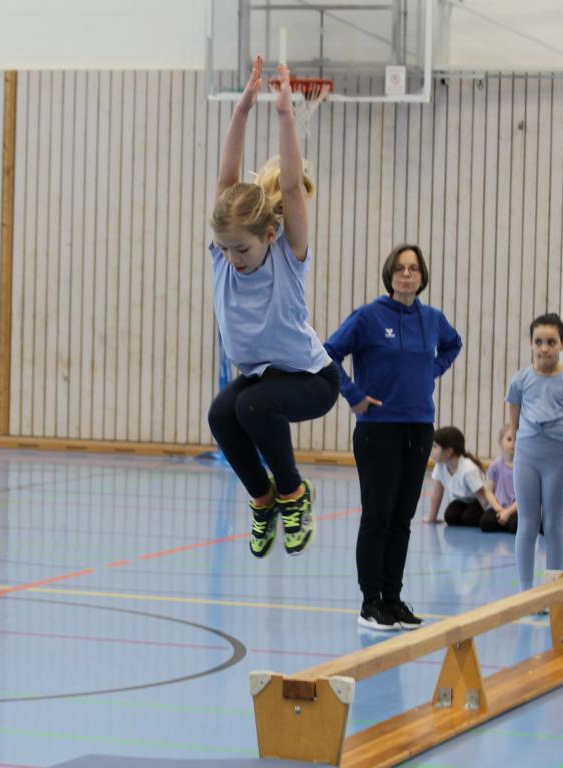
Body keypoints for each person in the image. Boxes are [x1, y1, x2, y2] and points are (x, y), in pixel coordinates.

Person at [207, 56, 339, 559]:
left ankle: (293, 492)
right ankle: (263, 501)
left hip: (311, 379)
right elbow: (227, 179)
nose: (232, 258)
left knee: (250, 405)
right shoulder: (224, 256)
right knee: (222, 414)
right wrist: (240, 110)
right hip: (263, 378)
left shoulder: (287, 256)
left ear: (268, 235)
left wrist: (285, 115)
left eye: (241, 249)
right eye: (225, 249)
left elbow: (289, 188)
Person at [324, 243, 462, 631]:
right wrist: (353, 395)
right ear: (390, 274)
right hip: (378, 429)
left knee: (402, 518)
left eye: (413, 268)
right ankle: (370, 602)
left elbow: (454, 344)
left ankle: (393, 598)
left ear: (422, 276)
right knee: (378, 516)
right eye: (400, 268)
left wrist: (430, 371)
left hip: (419, 427)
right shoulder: (368, 316)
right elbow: (327, 354)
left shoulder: (432, 319)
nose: (406, 274)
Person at [507, 313, 563, 593]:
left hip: (557, 459)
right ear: (531, 343)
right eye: (538, 342)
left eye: (551, 342)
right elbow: (514, 421)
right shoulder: (520, 380)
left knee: (554, 524)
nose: (544, 348)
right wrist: (519, 446)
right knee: (527, 523)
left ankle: (553, 589)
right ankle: (526, 589)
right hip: (527, 457)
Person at [426, 427, 490, 528]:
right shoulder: (440, 465)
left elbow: (483, 496)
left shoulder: (468, 469)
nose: (431, 450)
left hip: (477, 501)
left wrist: (489, 517)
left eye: (435, 447)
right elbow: (437, 493)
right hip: (462, 501)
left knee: (470, 518)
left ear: (448, 451)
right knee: (450, 517)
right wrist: (432, 518)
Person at [481, 424, 518, 534]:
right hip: (499, 506)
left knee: (515, 526)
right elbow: (488, 491)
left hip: (516, 508)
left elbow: (524, 497)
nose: (513, 443)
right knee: (485, 523)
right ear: (500, 442)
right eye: (509, 439)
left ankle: (506, 521)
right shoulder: (495, 465)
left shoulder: (524, 467)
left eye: (517, 440)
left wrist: (508, 512)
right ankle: (504, 521)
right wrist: (499, 509)